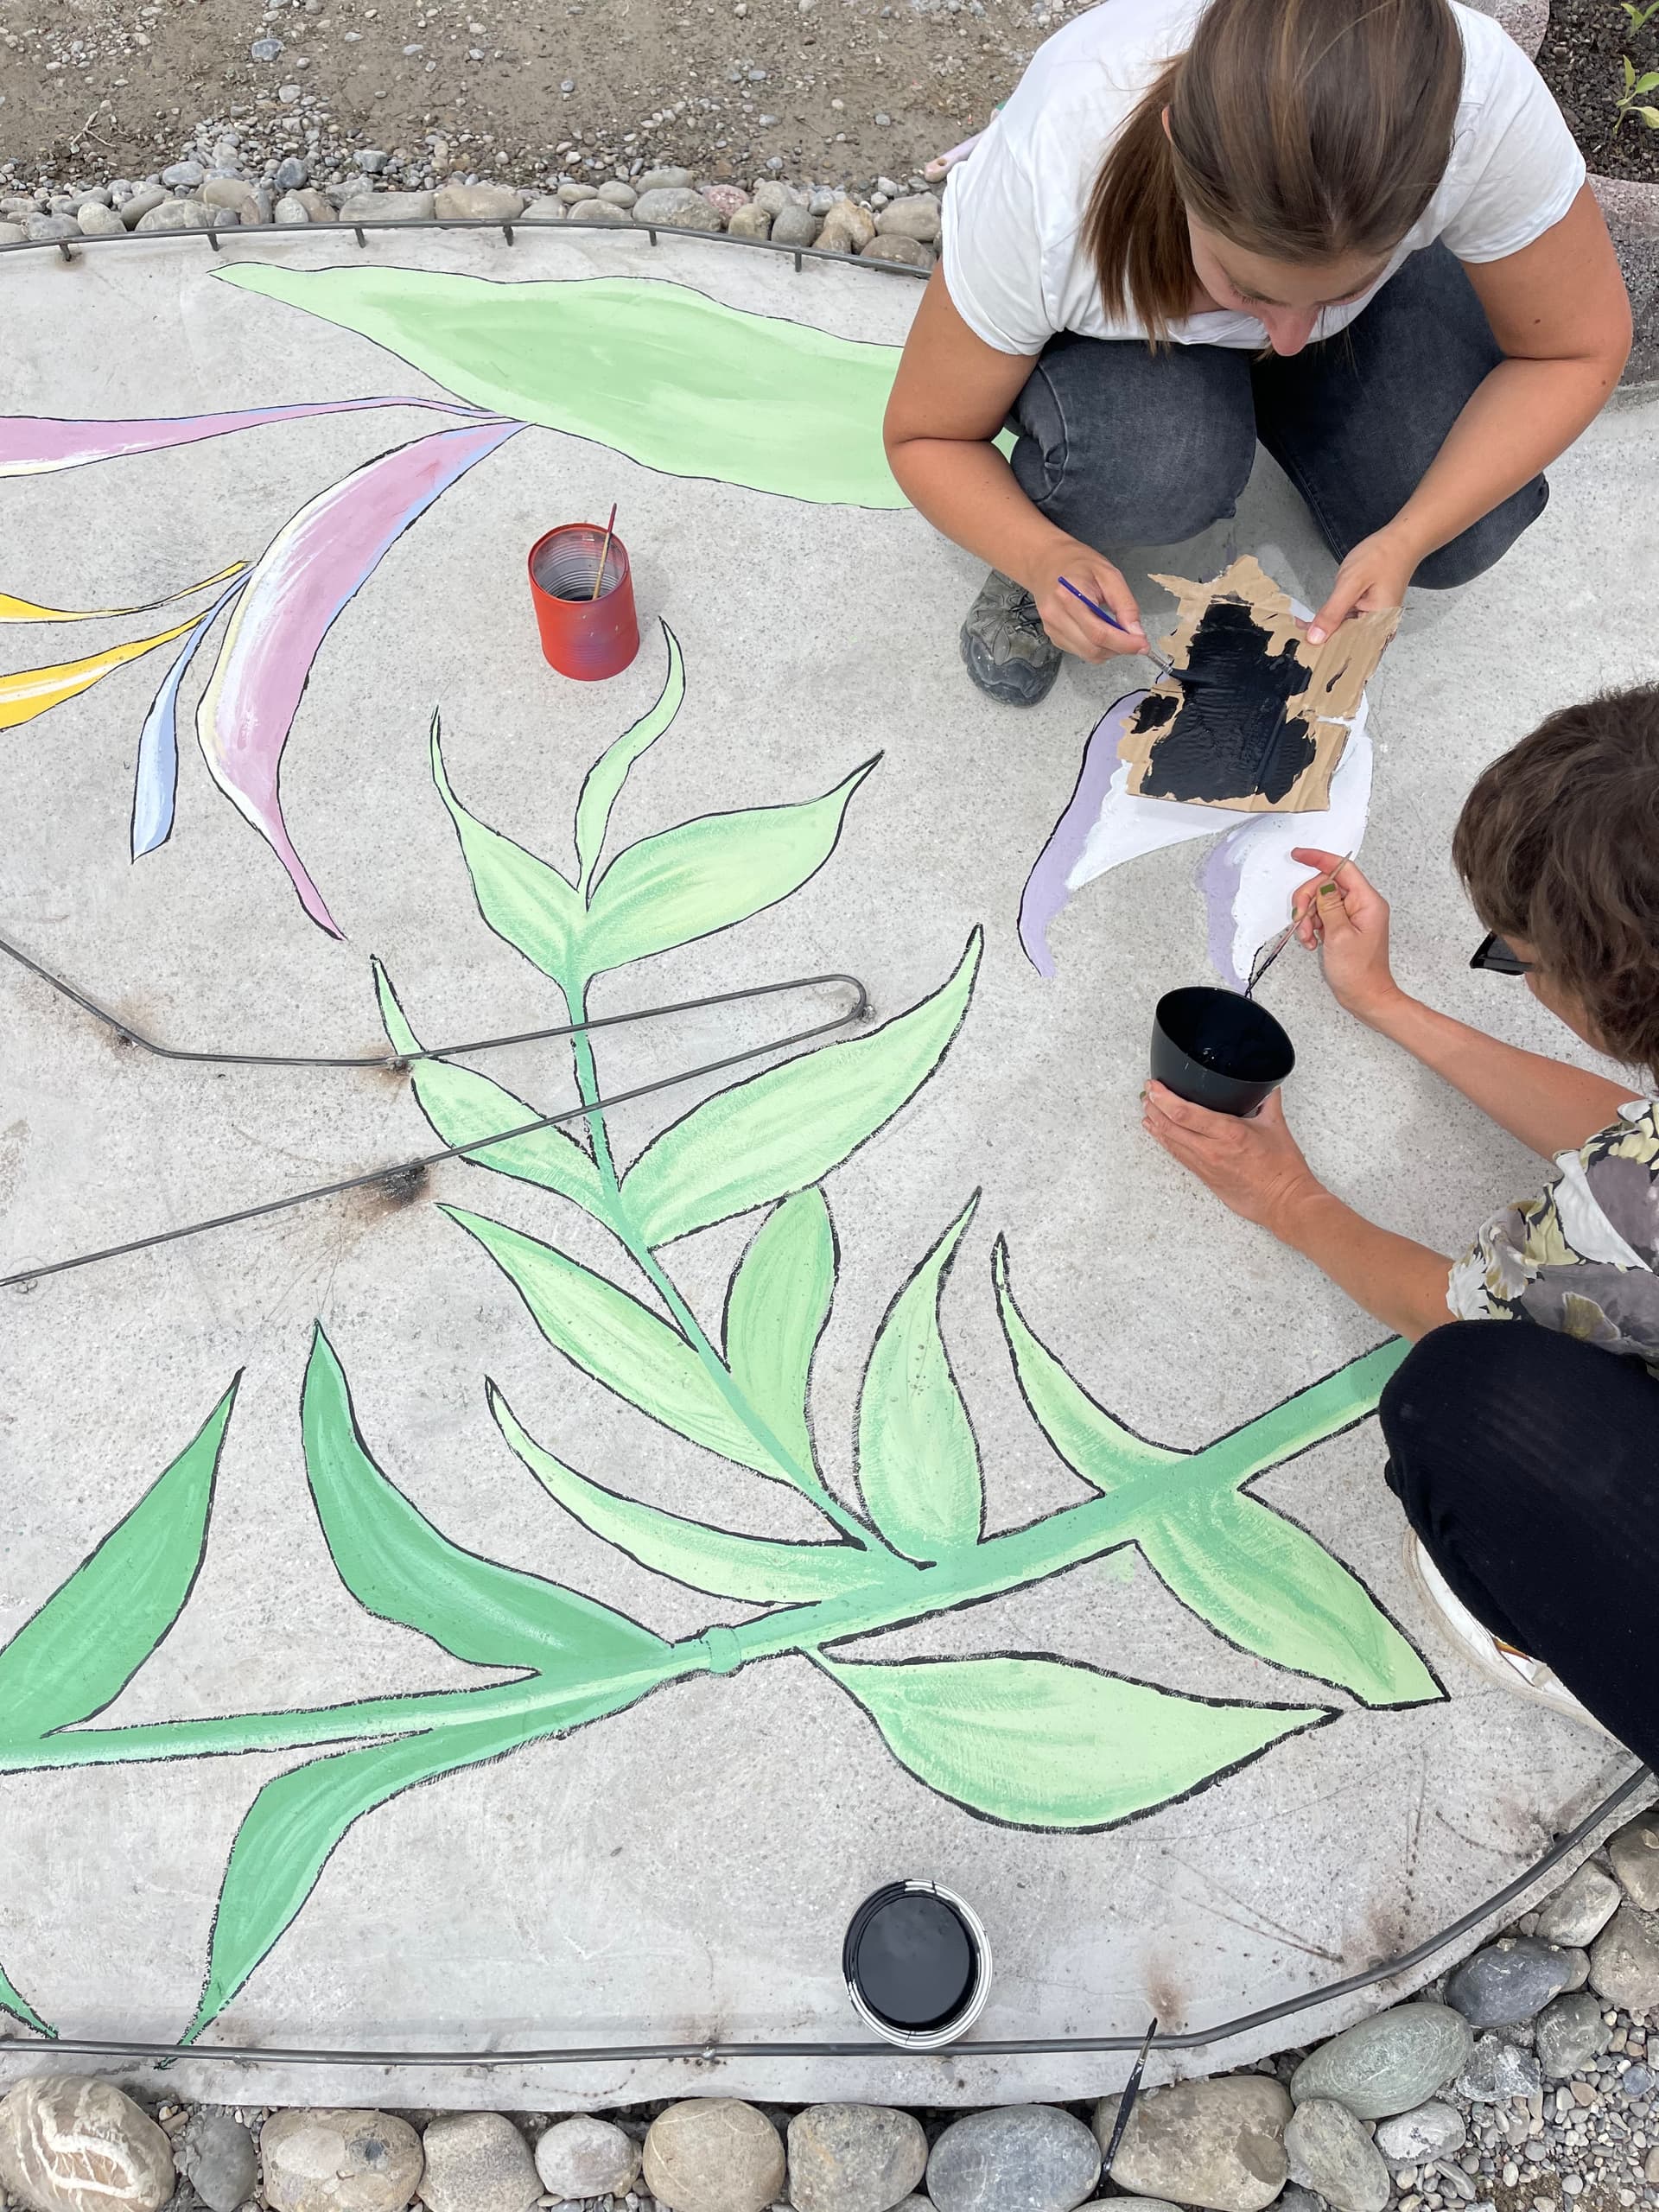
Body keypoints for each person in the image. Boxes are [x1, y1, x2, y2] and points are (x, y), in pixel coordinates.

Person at [1141, 688, 1659, 1763]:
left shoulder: (1629, 1225)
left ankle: (1578, 1641)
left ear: (1609, 991)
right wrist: (1388, 1003)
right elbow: (1634, 1141)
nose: (1511, 972)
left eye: (1515, 958)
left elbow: (1460, 1307)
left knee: (1472, 1403)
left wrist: (1285, 1197)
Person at [884, 0, 1632, 707]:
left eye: (1345, 284)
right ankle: (1067, 498)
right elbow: (928, 432)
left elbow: (1576, 349)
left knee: (1463, 528)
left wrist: (1408, 536)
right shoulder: (1052, 179)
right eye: (1248, 289)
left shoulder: (1478, 109)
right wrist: (1038, 555)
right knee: (1158, 464)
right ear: (1178, 154)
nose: (1291, 341)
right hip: (1105, 249)